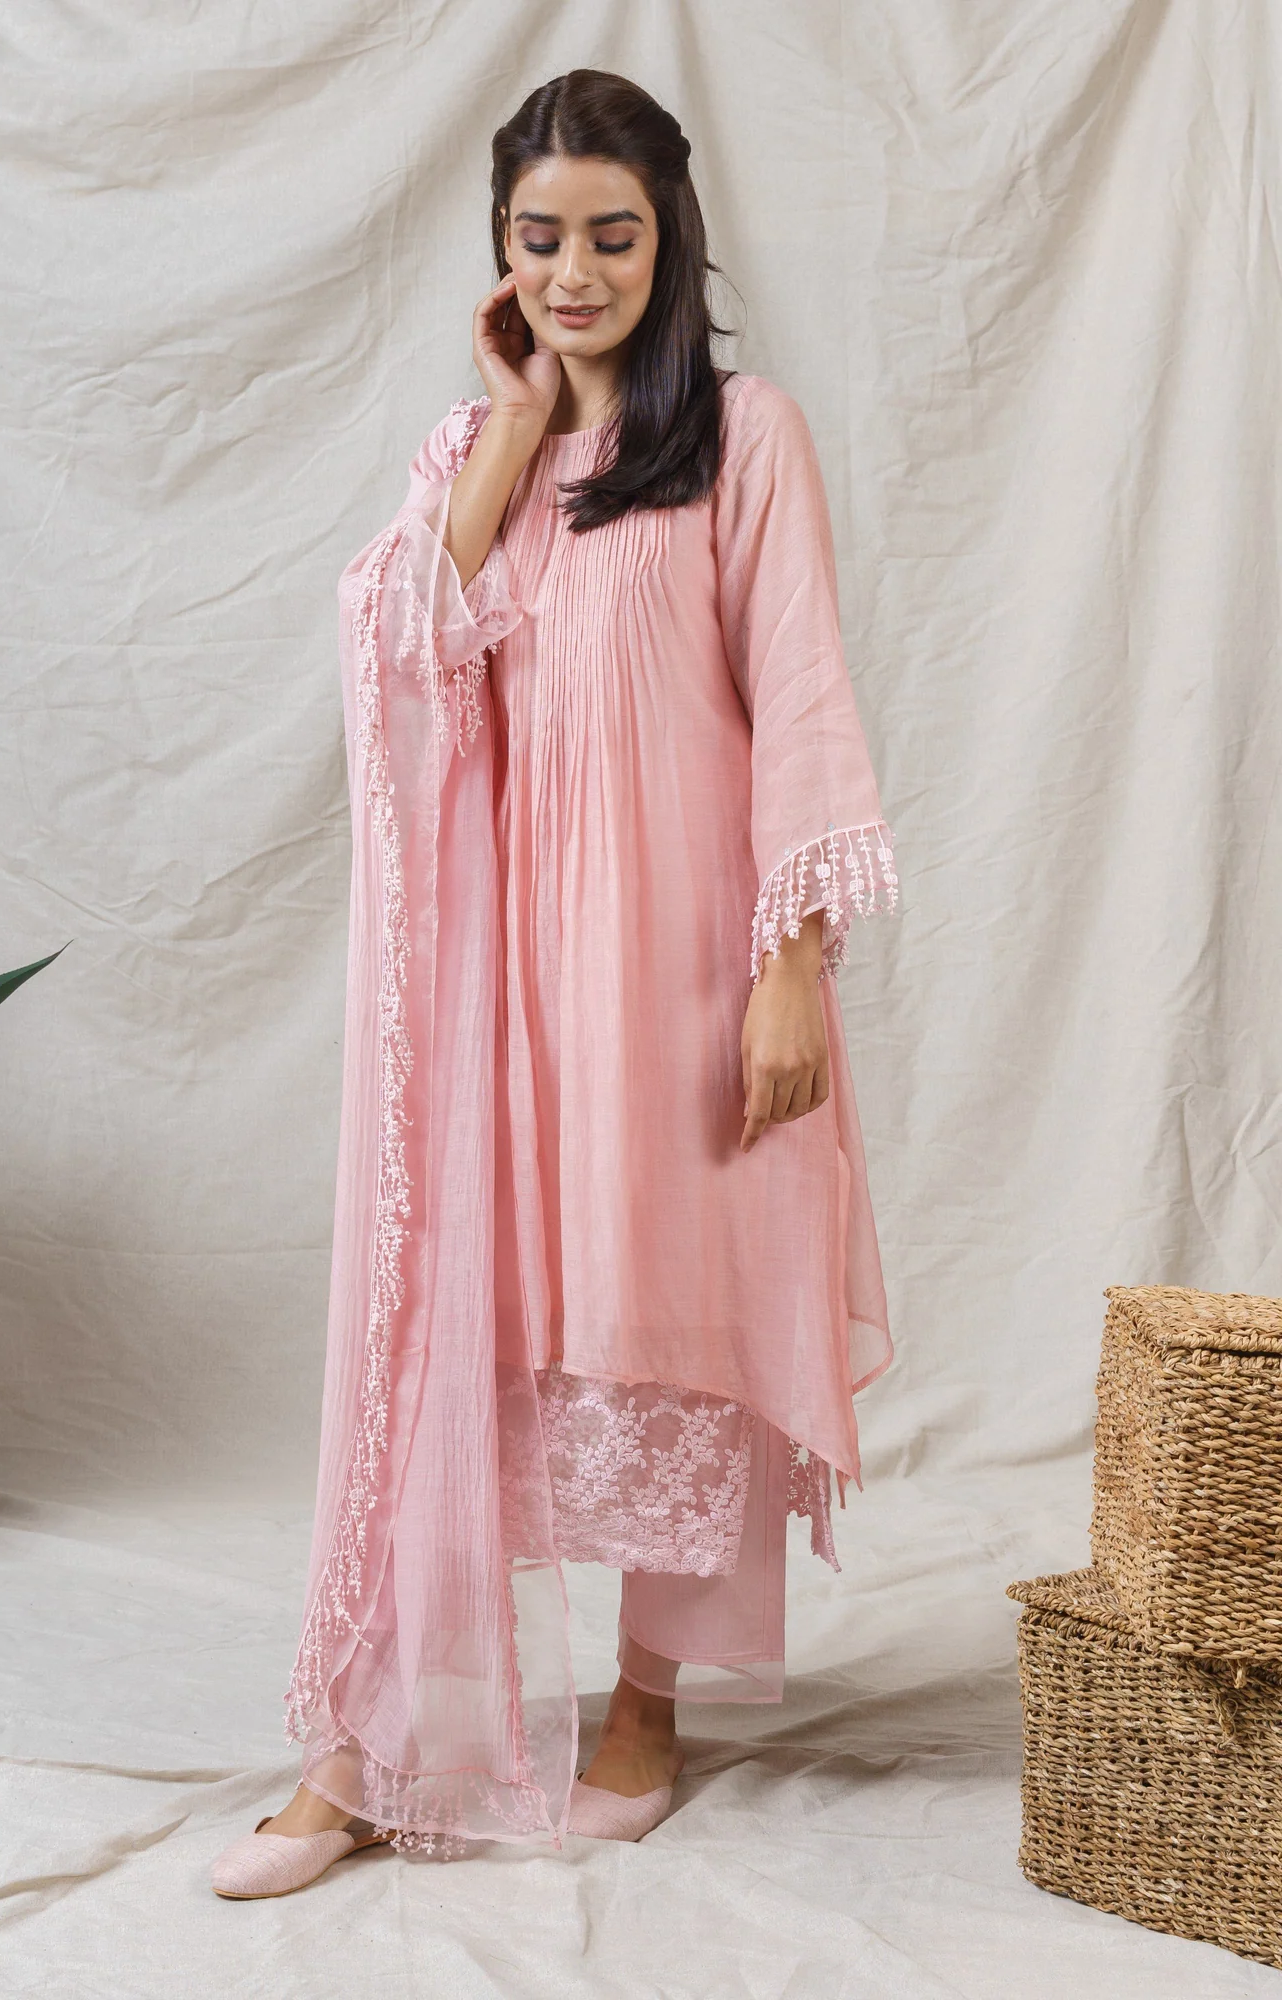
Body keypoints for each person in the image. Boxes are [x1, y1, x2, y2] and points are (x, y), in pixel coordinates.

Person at [212, 67, 898, 1900]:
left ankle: (645, 1709)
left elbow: (804, 704)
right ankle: (369, 1740)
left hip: (685, 974)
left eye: (612, 236)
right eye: (540, 238)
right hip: (499, 987)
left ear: (670, 241)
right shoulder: (477, 451)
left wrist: (790, 969)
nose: (575, 272)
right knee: (462, 1328)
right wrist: (516, 425)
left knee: (683, 1313)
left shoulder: (744, 437)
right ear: (501, 250)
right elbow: (394, 655)